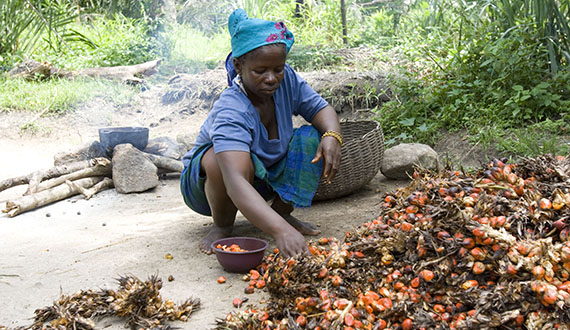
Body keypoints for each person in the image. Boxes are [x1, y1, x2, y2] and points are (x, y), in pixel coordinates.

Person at [180, 8, 342, 258]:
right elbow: (234, 181)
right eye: (260, 71)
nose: (271, 78)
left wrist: (332, 135)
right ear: (238, 65)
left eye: (278, 69)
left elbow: (321, 109)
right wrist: (281, 233)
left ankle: (281, 212)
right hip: (211, 187)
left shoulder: (287, 79)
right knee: (215, 158)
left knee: (313, 137)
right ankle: (222, 225)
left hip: (262, 177)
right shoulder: (231, 109)